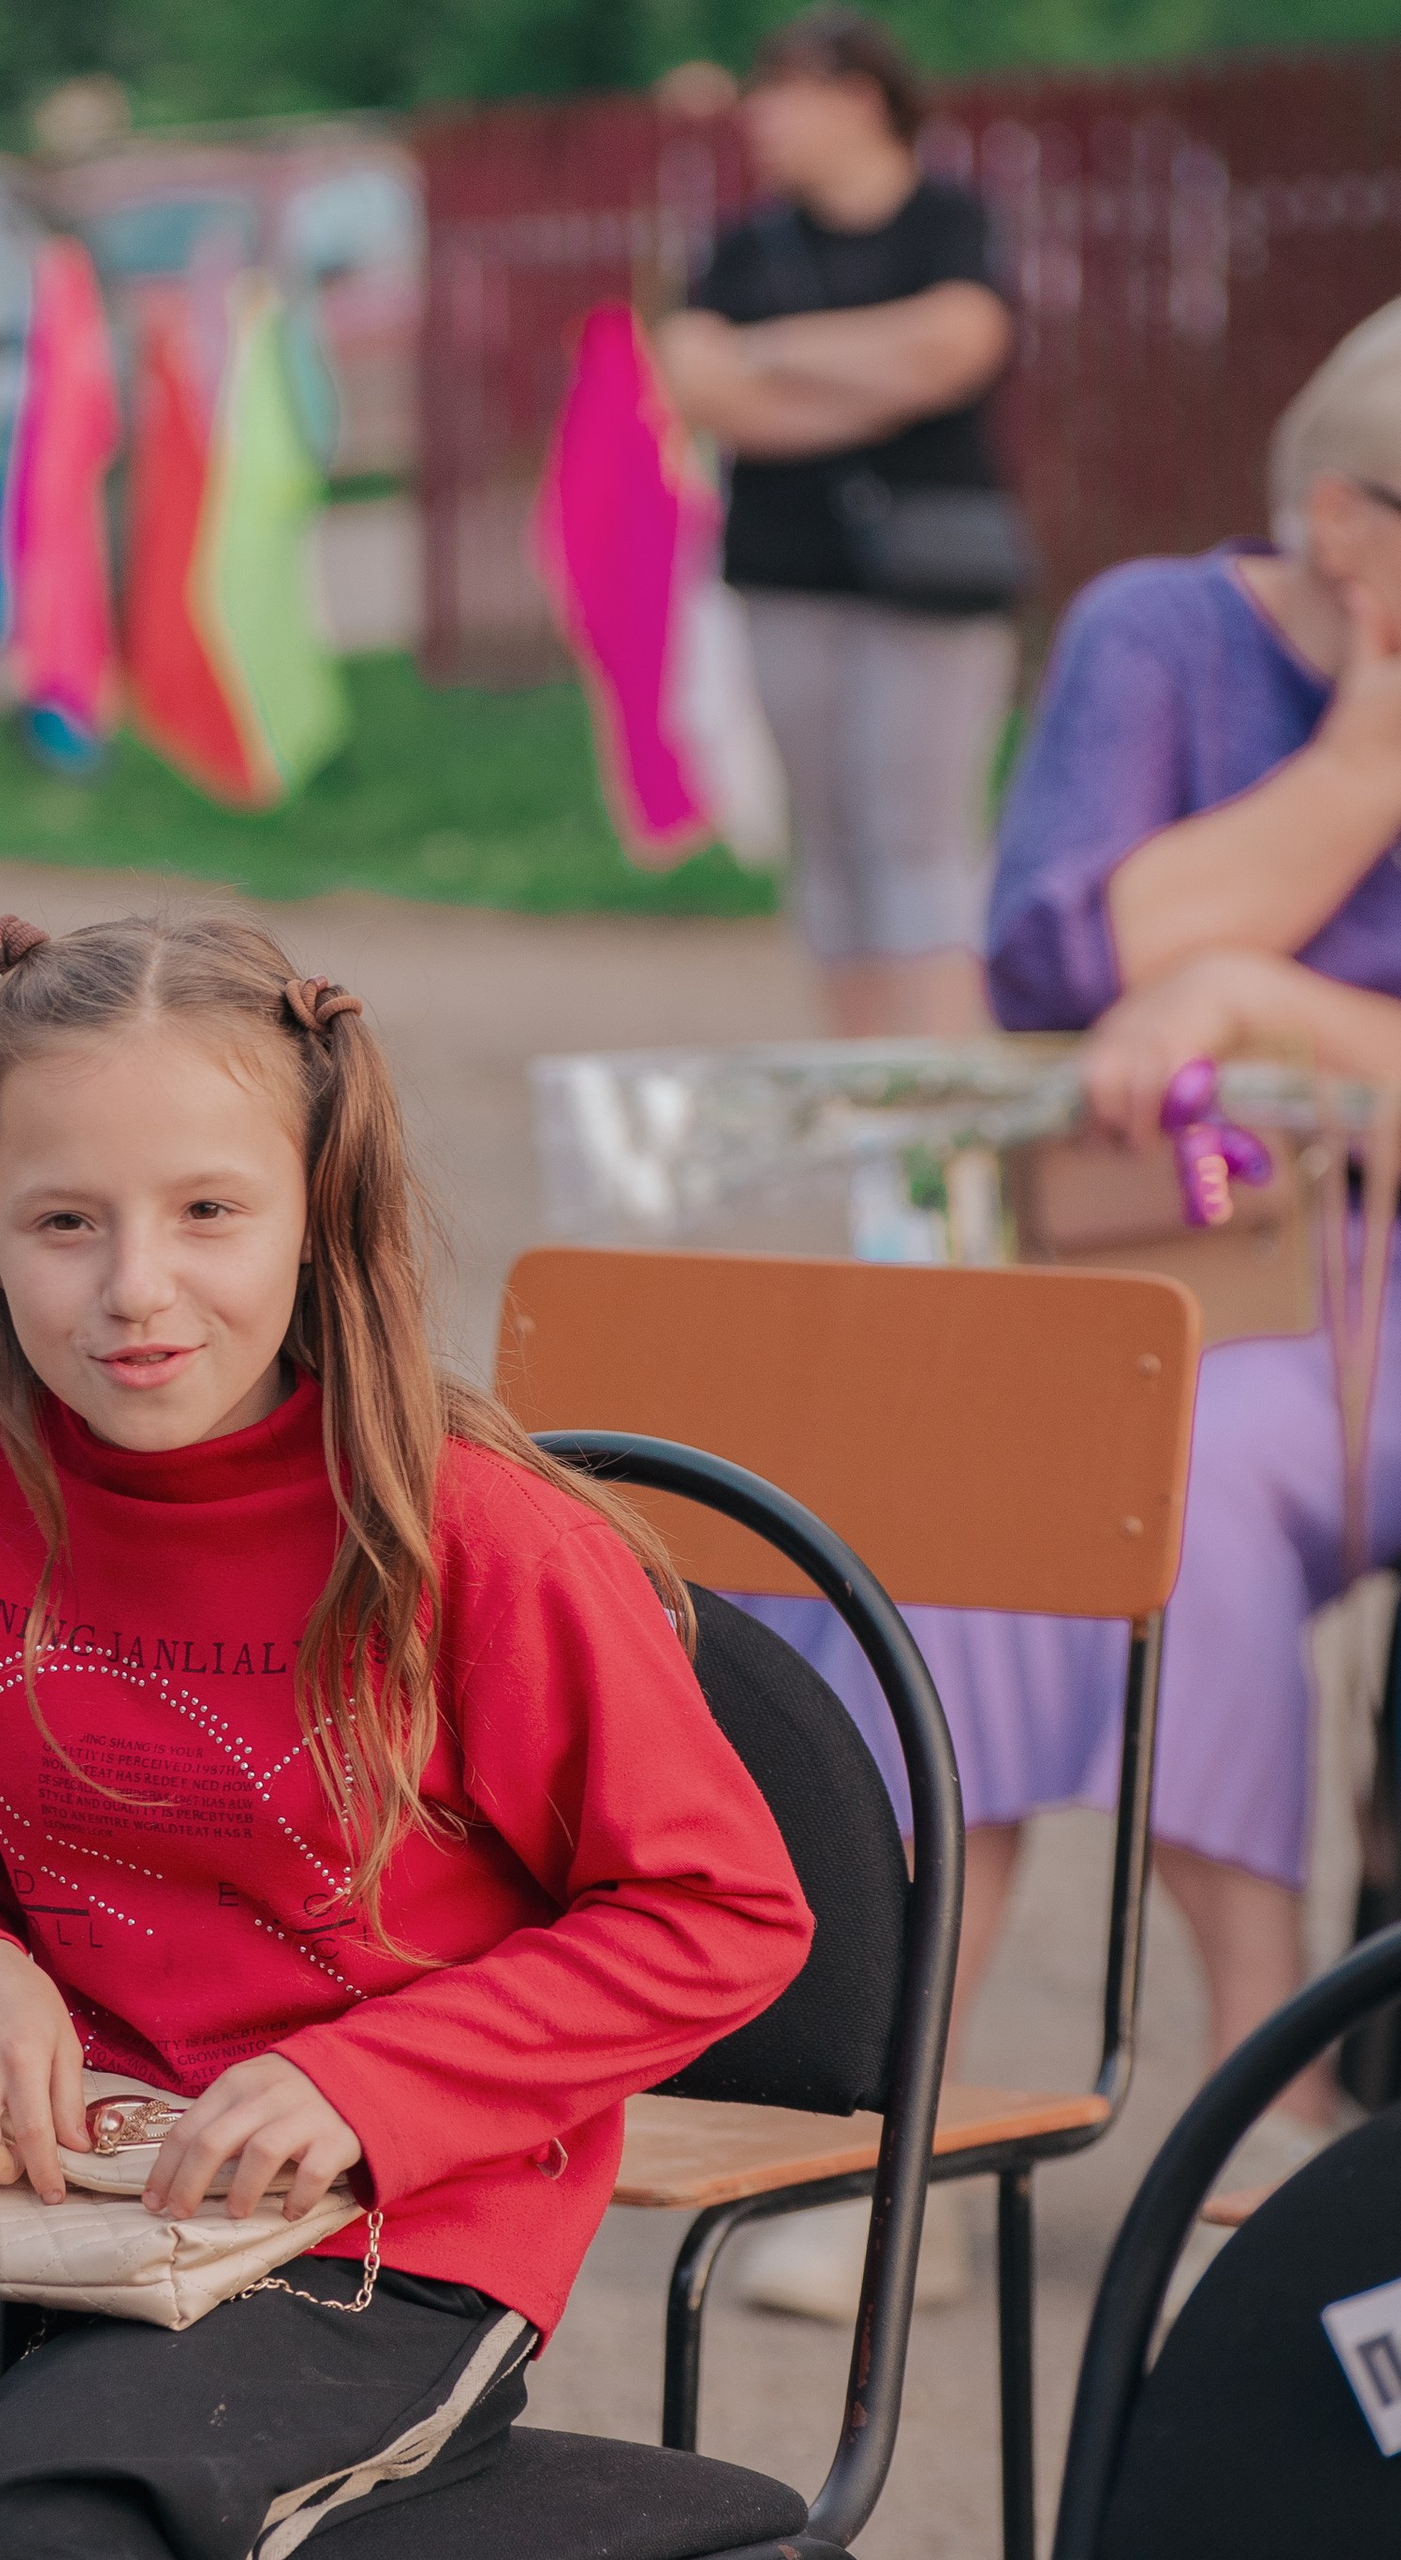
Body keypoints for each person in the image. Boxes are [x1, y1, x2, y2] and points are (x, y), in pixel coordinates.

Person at [0, 912, 814, 2558]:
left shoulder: (478, 1541)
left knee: (22, 2530)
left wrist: (362, 2087)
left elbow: (723, 1917)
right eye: (64, 1221)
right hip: (44, 2209)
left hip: (388, 2249)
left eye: (209, 1212)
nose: (136, 1288)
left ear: (315, 1213)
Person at [736, 301, 1401, 2324]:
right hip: (1183, 1269)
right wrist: (1367, 762)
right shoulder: (1156, 633)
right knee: (1002, 1498)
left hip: (1370, 1291)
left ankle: (1249, 2070)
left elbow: (1168, 961)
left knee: (1159, 1456)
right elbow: (1066, 948)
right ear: (1336, 512)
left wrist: (1257, 1001)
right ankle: (902, 2121)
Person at [657, 8, 1018, 1036]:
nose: (758, 118)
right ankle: (865, 1101)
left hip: (932, 581)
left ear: (856, 99)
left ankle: (939, 1093)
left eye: (780, 93)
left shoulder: (948, 220)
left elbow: (960, 344)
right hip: (786, 574)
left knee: (917, 835)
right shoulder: (746, 243)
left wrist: (770, 354)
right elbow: (699, 386)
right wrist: (885, 377)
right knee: (827, 841)